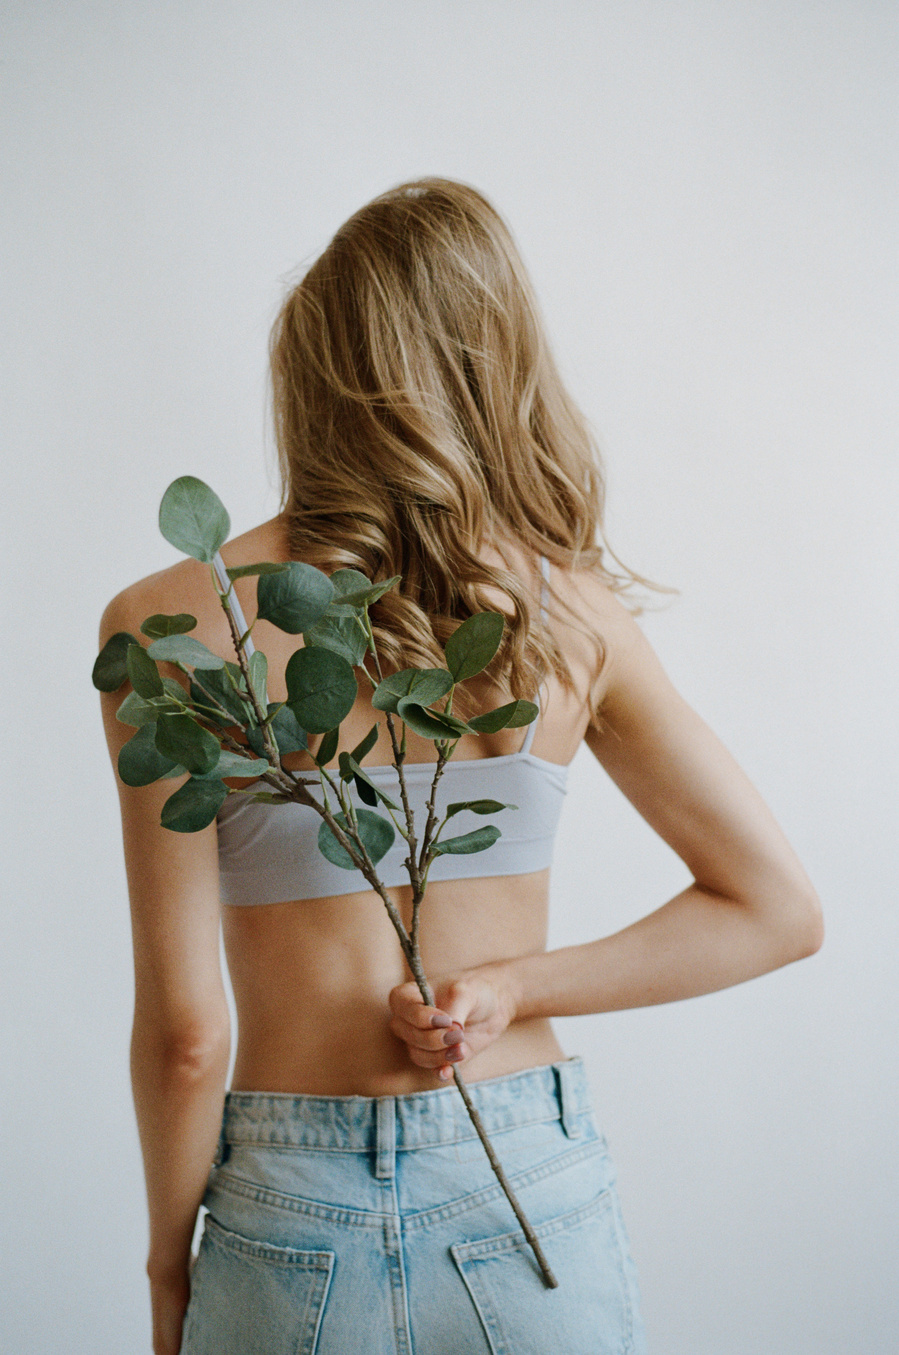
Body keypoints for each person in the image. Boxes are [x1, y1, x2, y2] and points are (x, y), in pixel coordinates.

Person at [98, 178, 823, 1355]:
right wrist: (510, 990)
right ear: (496, 362)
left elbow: (188, 1033)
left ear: (310, 377)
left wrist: (167, 1270)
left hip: (289, 1204)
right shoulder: (564, 619)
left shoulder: (174, 623)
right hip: (523, 1179)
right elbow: (775, 908)